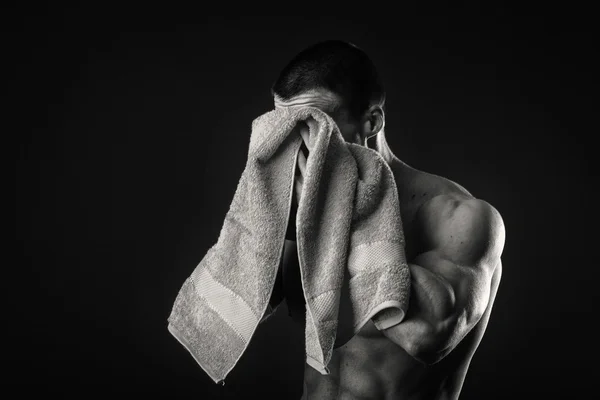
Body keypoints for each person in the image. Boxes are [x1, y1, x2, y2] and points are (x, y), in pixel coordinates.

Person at [263, 40, 505, 400]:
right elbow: (247, 306)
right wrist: (270, 219)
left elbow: (428, 337)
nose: (295, 146)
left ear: (371, 121)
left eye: (314, 127)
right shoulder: (304, 202)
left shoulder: (461, 219)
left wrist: (345, 218)